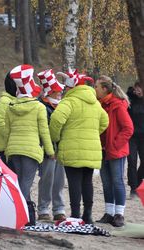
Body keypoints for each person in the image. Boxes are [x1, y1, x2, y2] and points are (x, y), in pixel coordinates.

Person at [49, 69, 109, 224]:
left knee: (74, 181)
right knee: (87, 181)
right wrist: (93, 133)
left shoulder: (69, 102)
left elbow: (56, 120)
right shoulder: (95, 103)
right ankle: (88, 215)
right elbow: (105, 121)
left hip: (71, 148)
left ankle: (75, 214)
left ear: (71, 87)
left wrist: (56, 138)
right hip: (92, 149)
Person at [4, 64, 55, 205]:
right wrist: (50, 152)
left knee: (19, 181)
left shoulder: (10, 107)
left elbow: (7, 131)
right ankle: (23, 215)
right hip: (31, 151)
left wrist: (3, 150)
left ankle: (17, 212)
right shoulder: (38, 107)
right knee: (25, 183)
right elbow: (44, 131)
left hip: (13, 150)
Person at [94, 75, 134, 227]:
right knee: (106, 182)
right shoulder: (99, 104)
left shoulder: (117, 105)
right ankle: (109, 213)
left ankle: (119, 214)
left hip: (115, 150)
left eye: (97, 87)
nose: (94, 89)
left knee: (117, 181)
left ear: (104, 89)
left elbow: (128, 129)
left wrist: (115, 144)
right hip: (102, 150)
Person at [36, 69, 66, 222]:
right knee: (47, 179)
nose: (60, 92)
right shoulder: (40, 105)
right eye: (57, 90)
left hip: (61, 148)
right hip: (46, 149)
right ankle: (43, 209)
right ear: (49, 92)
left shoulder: (61, 105)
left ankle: (59, 209)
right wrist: (48, 149)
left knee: (60, 180)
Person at [0, 72, 17, 164]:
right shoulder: (5, 101)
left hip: (13, 147)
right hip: (5, 148)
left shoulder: (16, 100)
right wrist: (12, 137)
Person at [127, 81, 144, 198]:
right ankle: (133, 187)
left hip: (143, 137)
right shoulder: (129, 100)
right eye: (136, 88)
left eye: (140, 89)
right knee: (132, 162)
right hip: (131, 136)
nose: (138, 91)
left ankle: (138, 180)